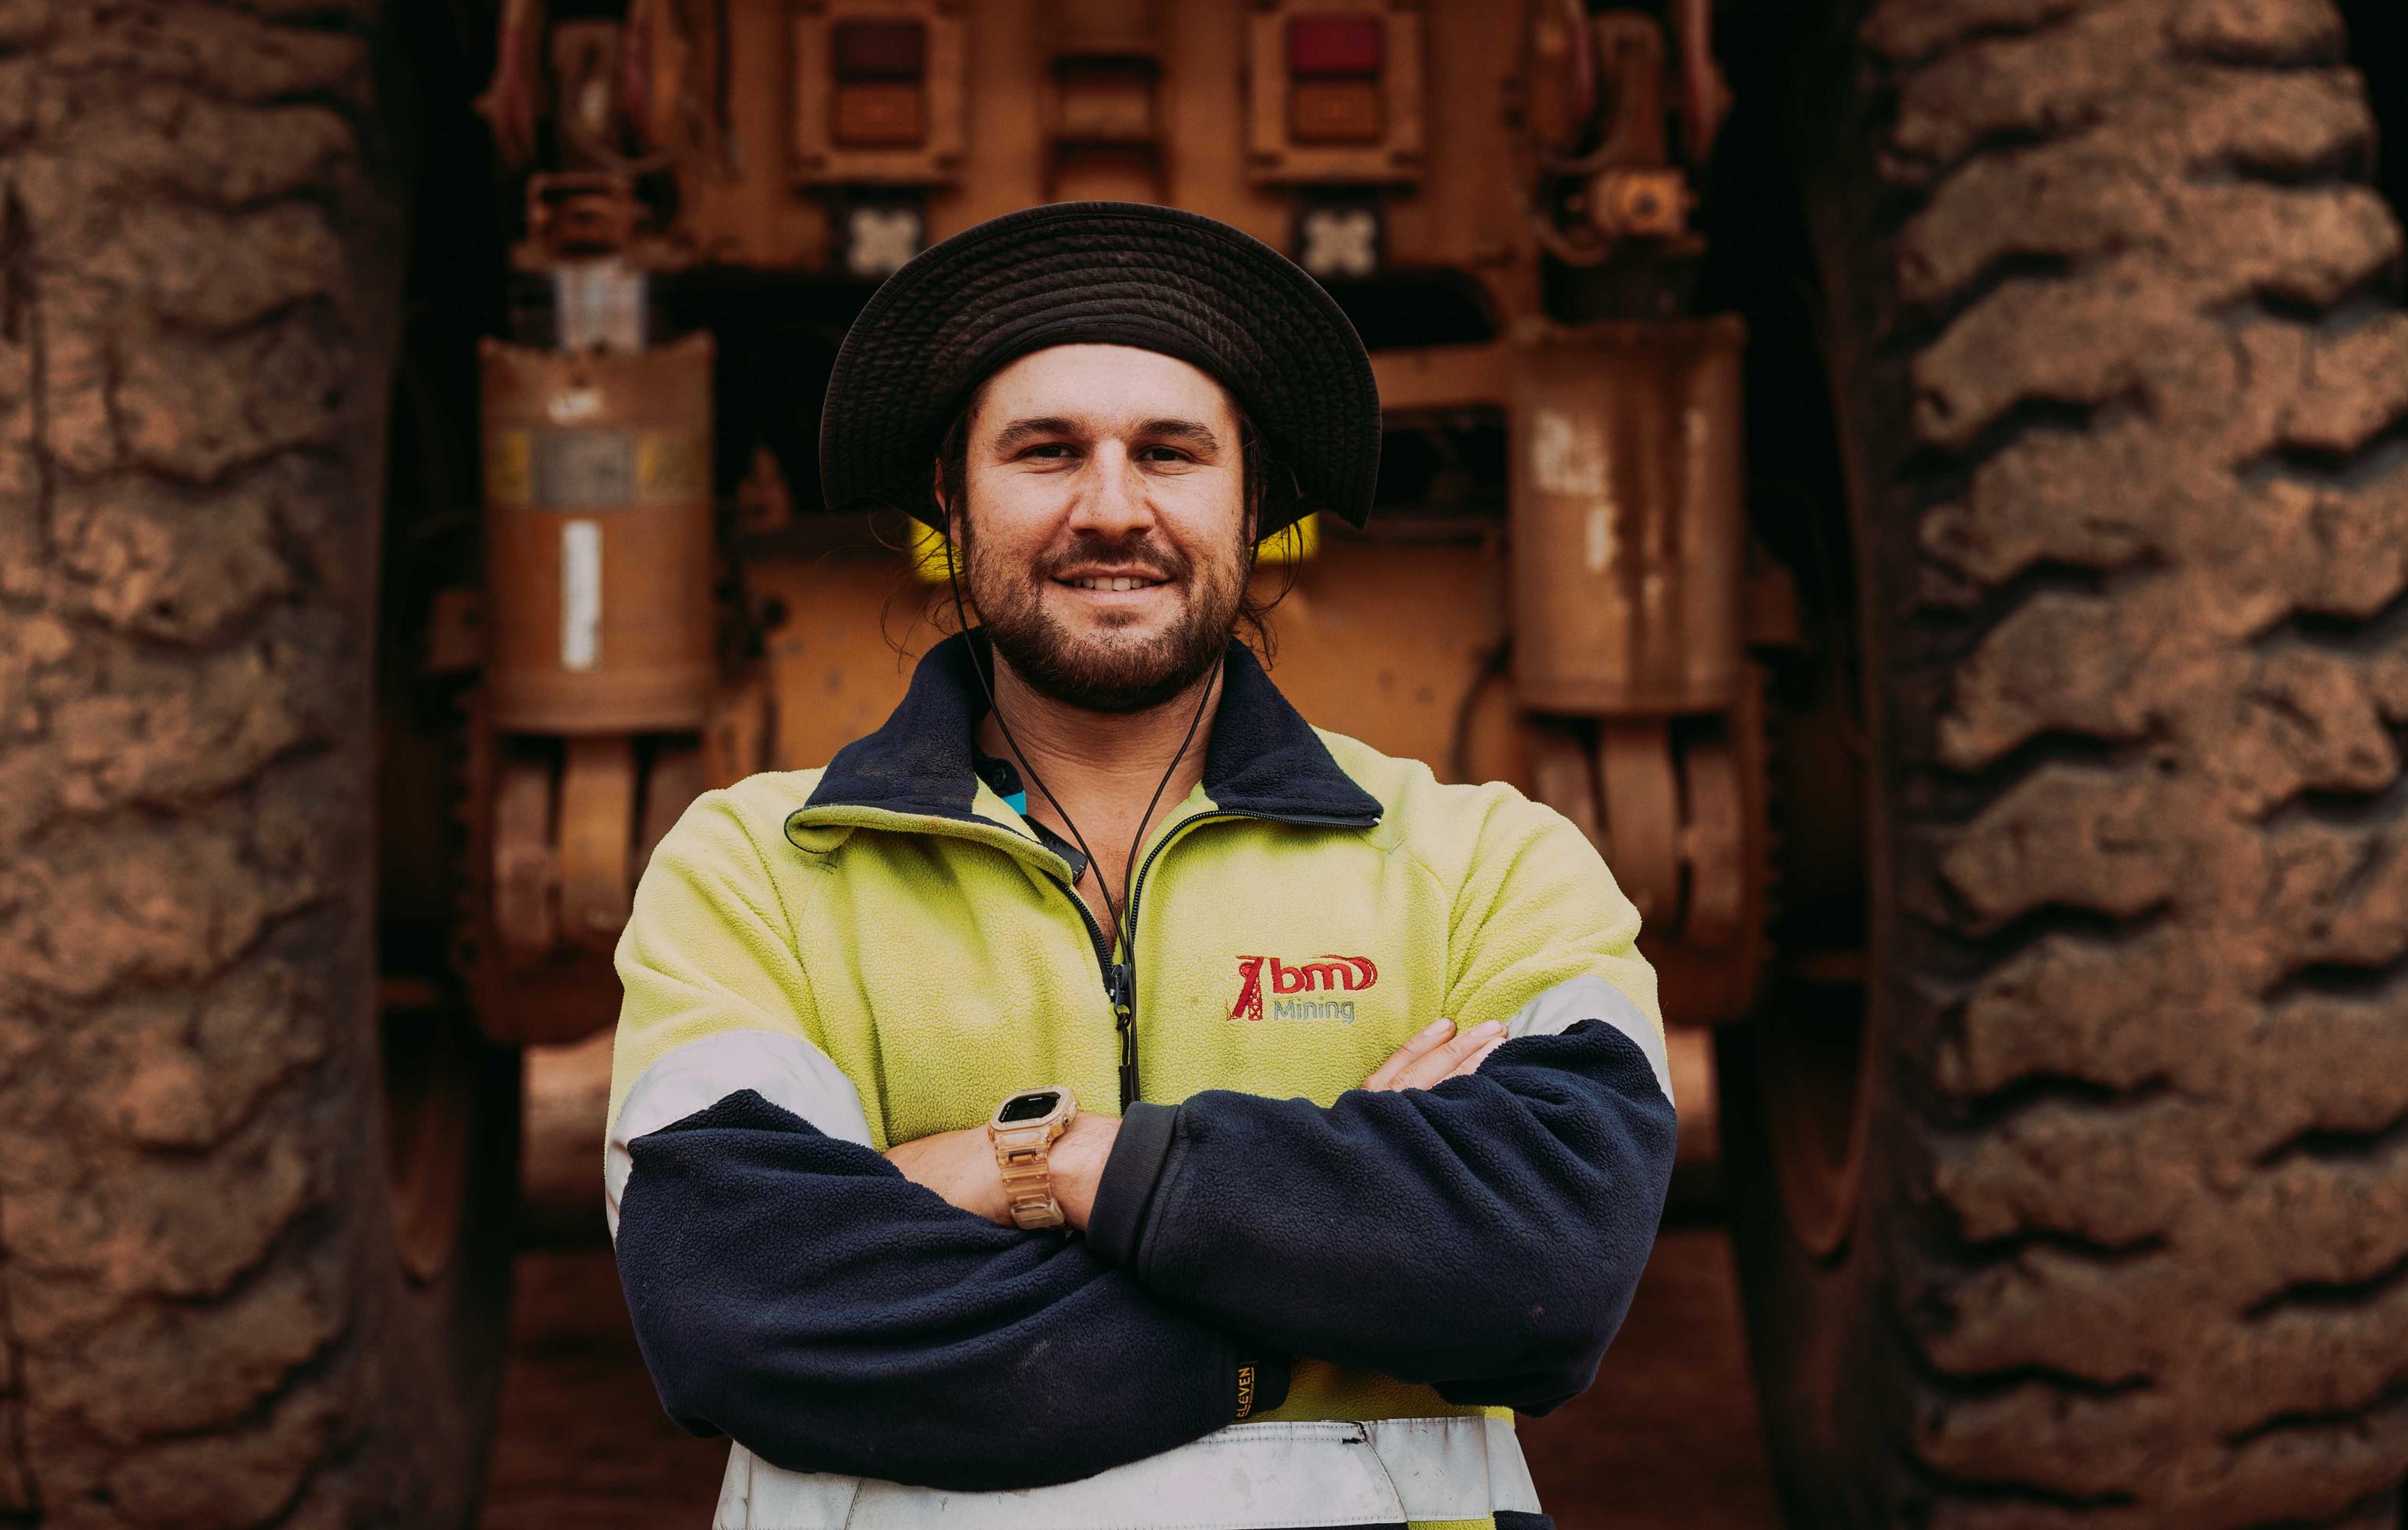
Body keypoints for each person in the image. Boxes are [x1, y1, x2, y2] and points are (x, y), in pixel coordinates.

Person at [606, 200, 1678, 1530]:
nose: (1111, 508)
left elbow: (1548, 1266)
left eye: (1170, 452)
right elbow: (735, 1304)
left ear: (1256, 498)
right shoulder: (756, 870)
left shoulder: (1483, 865)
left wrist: (1047, 1168)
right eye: (1047, 451)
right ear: (950, 496)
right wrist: (1335, 1275)